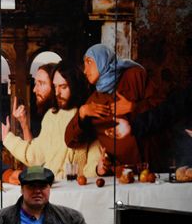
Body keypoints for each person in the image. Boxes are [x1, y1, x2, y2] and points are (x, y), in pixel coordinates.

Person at [0, 60, 100, 180]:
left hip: (76, 189)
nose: (57, 92)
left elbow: (93, 162)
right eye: (56, 86)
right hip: (57, 187)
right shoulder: (52, 116)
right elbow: (37, 157)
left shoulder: (85, 113)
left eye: (42, 83)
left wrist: (8, 138)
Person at [65, 43, 164, 171]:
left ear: (103, 60)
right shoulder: (93, 101)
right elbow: (71, 141)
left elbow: (163, 108)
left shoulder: (134, 76)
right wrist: (82, 113)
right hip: (124, 173)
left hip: (154, 163)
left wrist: (133, 107)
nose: (85, 70)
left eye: (89, 62)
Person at [0, 62, 57, 142]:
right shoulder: (50, 115)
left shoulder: (59, 119)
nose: (34, 90)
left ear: (56, 85)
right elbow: (33, 152)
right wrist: (24, 124)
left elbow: (35, 154)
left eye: (41, 83)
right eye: (35, 84)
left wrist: (7, 138)